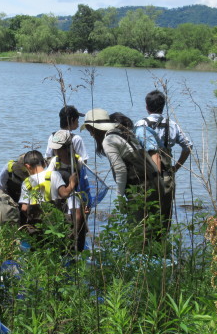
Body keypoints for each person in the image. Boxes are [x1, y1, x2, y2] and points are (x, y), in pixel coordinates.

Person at [82, 108, 165, 238]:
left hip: (140, 189)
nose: (91, 135)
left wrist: (119, 199)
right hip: (154, 184)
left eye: (90, 131)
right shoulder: (123, 133)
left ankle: (139, 255)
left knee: (137, 234)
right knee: (154, 232)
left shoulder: (108, 140)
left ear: (95, 128)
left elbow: (120, 170)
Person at [134, 90, 192, 232]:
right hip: (167, 176)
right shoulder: (172, 124)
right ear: (163, 106)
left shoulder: (140, 124)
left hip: (146, 177)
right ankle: (162, 248)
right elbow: (188, 147)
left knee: (143, 217)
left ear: (147, 106)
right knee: (164, 217)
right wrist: (175, 167)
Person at [18, 150, 82, 248]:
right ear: (44, 163)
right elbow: (64, 194)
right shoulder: (54, 175)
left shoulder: (26, 182)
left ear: (27, 166)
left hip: (37, 226)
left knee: (38, 249)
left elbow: (24, 208)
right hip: (55, 223)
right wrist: (72, 183)